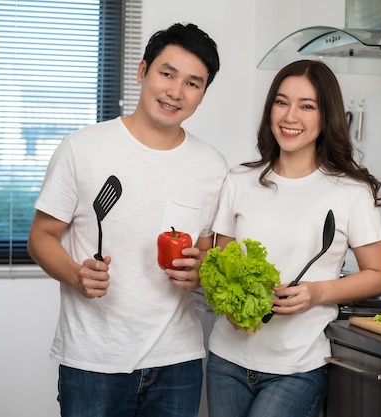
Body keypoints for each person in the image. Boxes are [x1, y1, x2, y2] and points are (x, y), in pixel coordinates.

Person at [27, 23, 228, 417]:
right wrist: (75, 274)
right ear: (142, 72)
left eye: (192, 83)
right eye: (166, 74)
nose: (175, 91)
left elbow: (206, 250)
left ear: (203, 95)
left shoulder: (212, 167)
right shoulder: (82, 149)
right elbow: (41, 236)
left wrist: (201, 269)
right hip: (92, 360)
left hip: (178, 361)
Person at [205, 59, 381, 417]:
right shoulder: (238, 180)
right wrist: (229, 305)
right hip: (227, 359)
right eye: (281, 101)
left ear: (326, 117)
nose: (290, 116)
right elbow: (219, 264)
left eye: (307, 106)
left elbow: (379, 274)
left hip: (297, 367)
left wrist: (317, 293)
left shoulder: (351, 192)